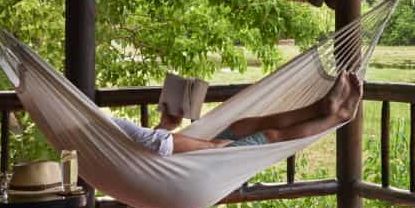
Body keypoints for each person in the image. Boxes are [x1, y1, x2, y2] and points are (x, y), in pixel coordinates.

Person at [111, 72, 363, 155]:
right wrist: (213, 146)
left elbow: (142, 151)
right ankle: (339, 116)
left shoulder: (105, 128)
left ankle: (320, 108)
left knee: (244, 125)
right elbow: (154, 146)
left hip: (193, 156)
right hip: (203, 161)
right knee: (271, 135)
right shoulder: (99, 129)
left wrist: (166, 125)